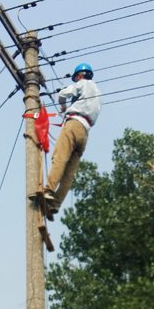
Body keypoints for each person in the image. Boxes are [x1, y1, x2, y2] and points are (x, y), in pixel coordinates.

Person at [42, 63, 102, 212]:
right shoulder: (99, 95)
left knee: (60, 158)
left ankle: (48, 191)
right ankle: (55, 204)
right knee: (69, 172)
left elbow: (63, 94)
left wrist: (62, 106)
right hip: (85, 133)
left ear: (79, 76)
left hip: (73, 125)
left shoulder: (82, 83)